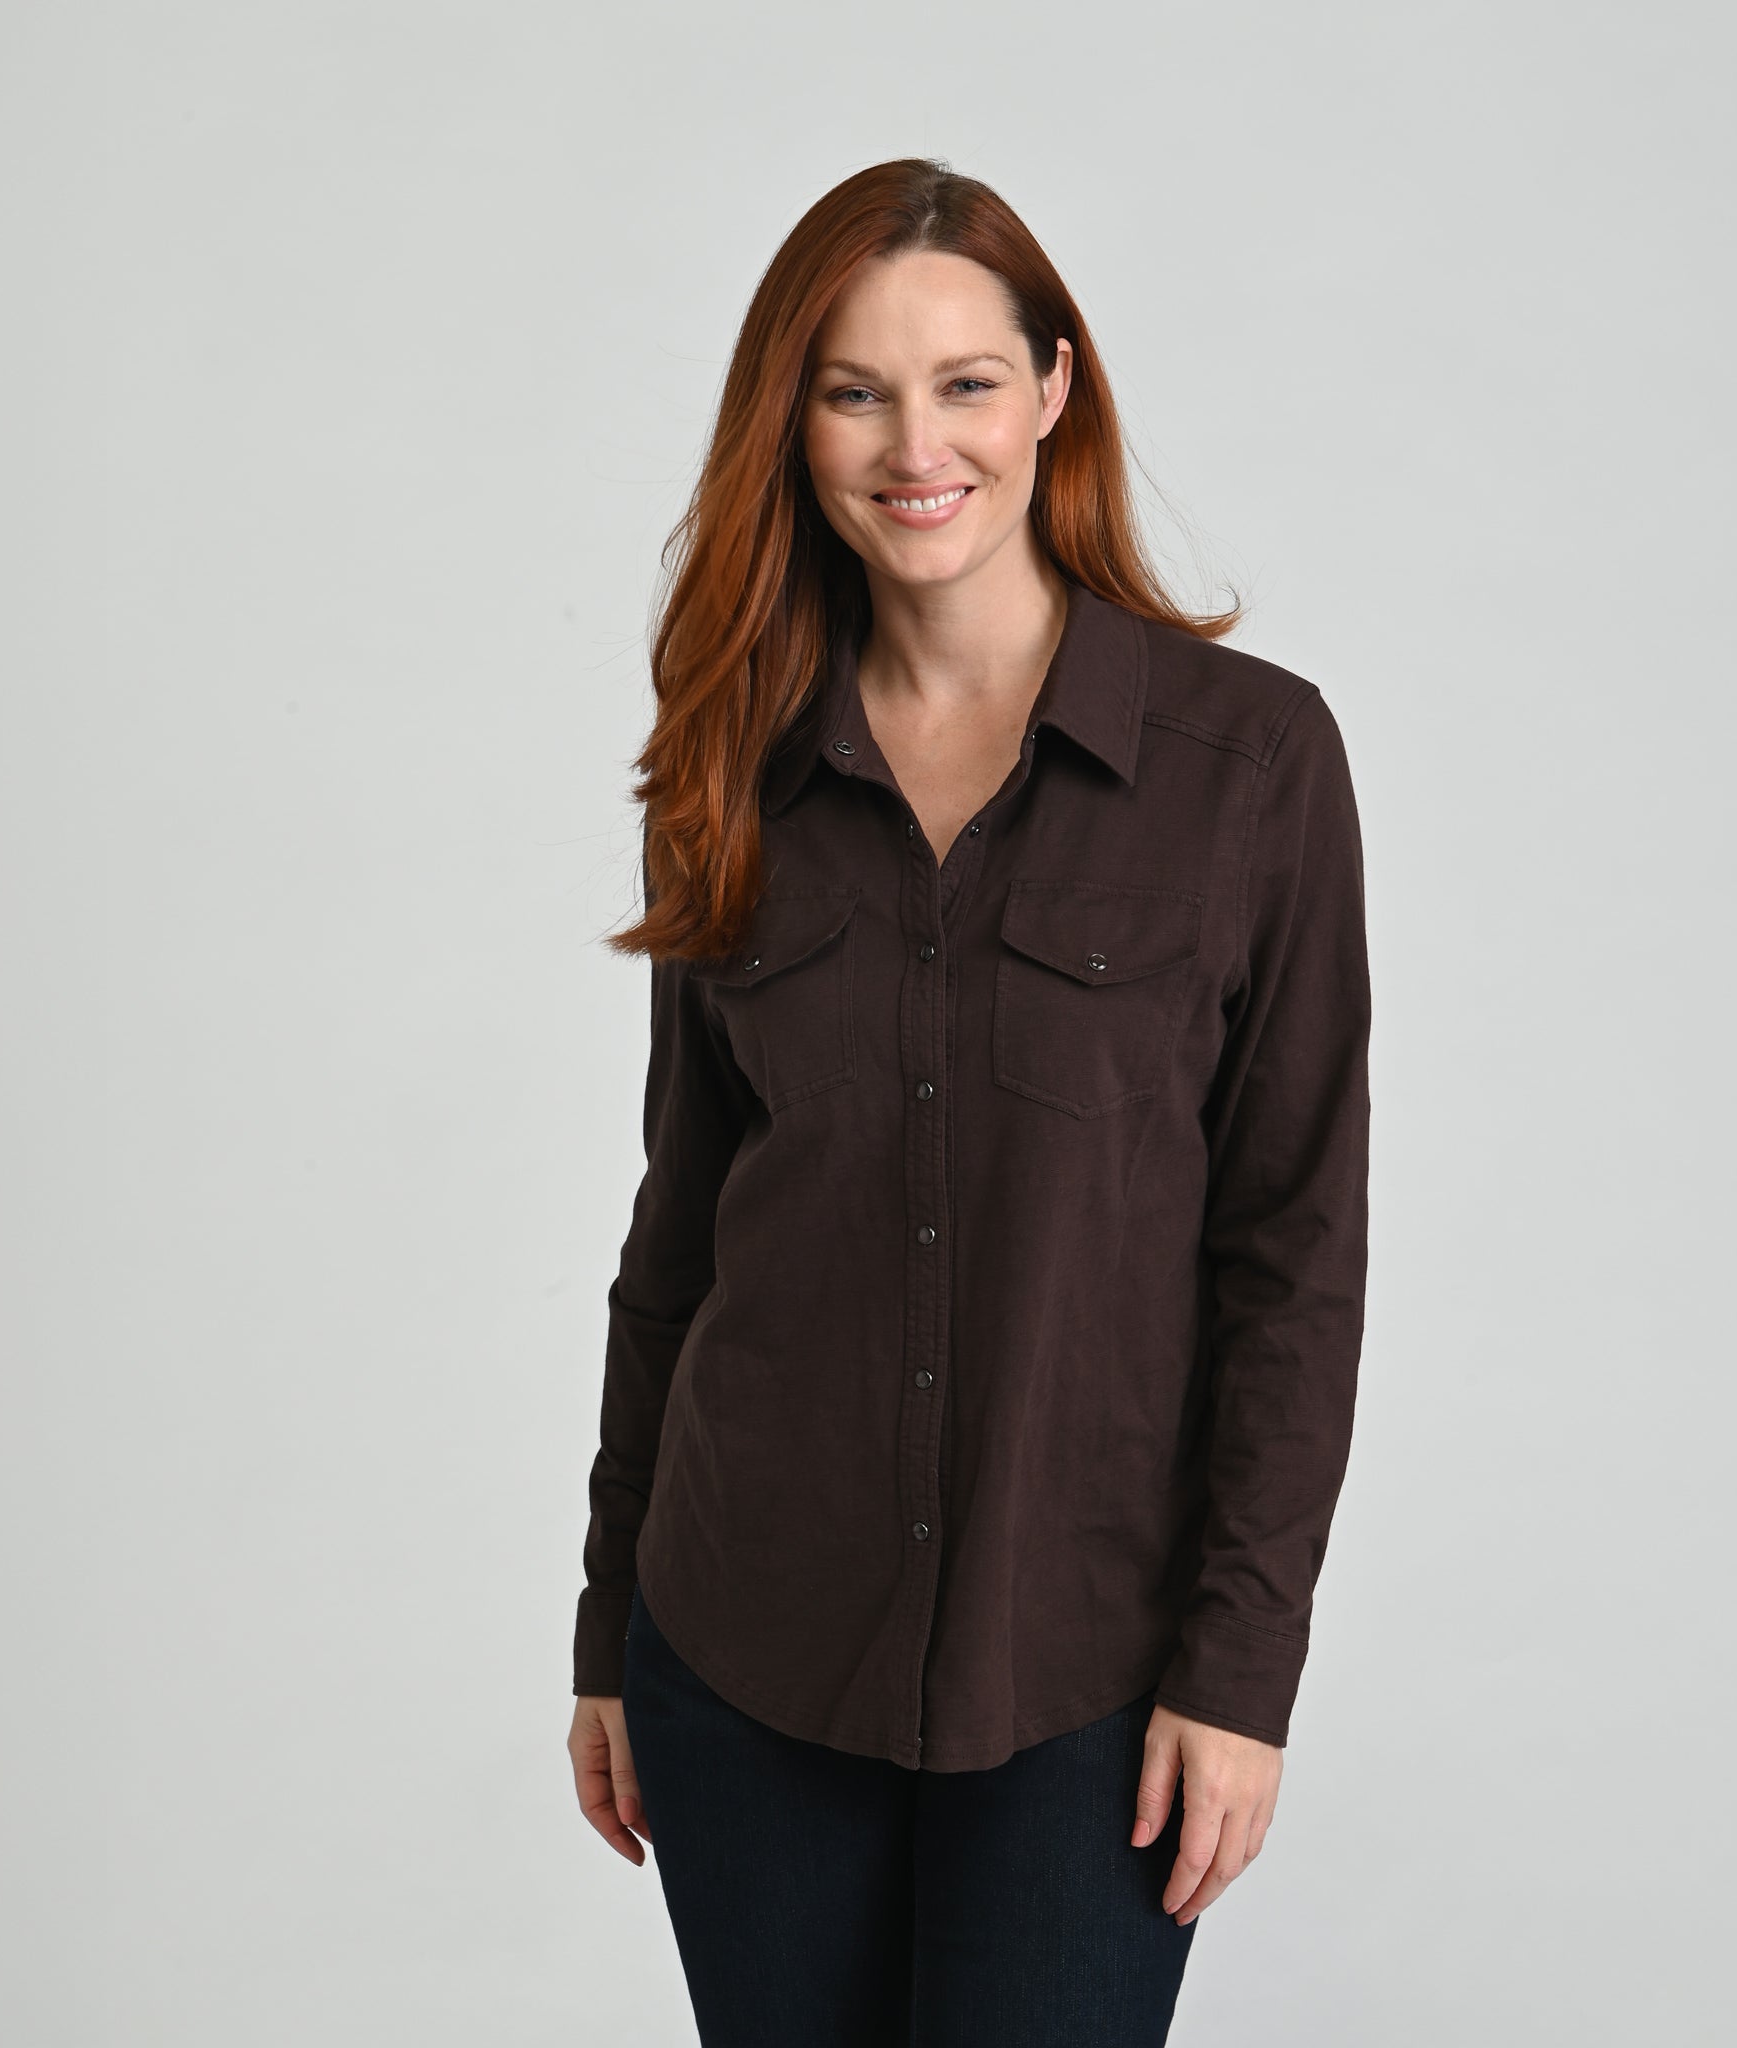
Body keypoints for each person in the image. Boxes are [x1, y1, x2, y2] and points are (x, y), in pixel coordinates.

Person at [564, 157, 1372, 2048]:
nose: (914, 446)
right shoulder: (736, 767)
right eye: (854, 391)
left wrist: (1241, 1670)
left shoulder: (1251, 767)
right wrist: (610, 1627)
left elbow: (1293, 1253)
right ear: (794, 426)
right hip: (744, 1653)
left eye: (966, 384)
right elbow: (681, 1242)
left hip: (1091, 1675)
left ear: (1054, 391)